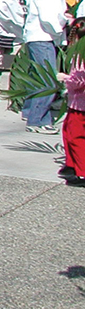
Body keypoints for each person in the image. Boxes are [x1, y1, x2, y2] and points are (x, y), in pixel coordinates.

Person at [23, 0, 71, 134]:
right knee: (48, 81)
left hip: (35, 36)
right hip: (43, 37)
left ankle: (29, 111)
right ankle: (37, 120)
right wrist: (62, 26)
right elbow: (49, 17)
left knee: (38, 78)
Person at [57, 18, 85, 187]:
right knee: (68, 131)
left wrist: (63, 78)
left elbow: (79, 80)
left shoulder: (81, 54)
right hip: (76, 103)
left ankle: (82, 172)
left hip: (81, 105)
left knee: (77, 137)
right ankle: (71, 164)